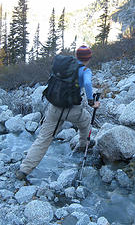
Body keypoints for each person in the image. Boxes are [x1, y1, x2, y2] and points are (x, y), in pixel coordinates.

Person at [16, 45, 100, 180]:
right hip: (73, 110)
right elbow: (88, 84)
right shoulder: (85, 70)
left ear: (76, 55)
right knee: (86, 121)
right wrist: (92, 102)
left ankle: (24, 170)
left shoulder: (64, 66)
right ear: (88, 59)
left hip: (54, 109)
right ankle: (84, 144)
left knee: (43, 139)